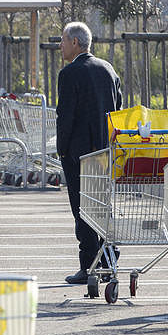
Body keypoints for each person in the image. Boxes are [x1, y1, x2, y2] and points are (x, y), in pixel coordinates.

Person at [55, 21, 123, 286]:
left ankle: (88, 265)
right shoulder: (108, 69)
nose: (60, 45)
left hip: (78, 154)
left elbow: (65, 116)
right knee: (102, 206)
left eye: (63, 40)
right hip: (105, 151)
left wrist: (62, 149)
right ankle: (109, 258)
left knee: (83, 209)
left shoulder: (70, 73)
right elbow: (118, 108)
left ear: (75, 42)